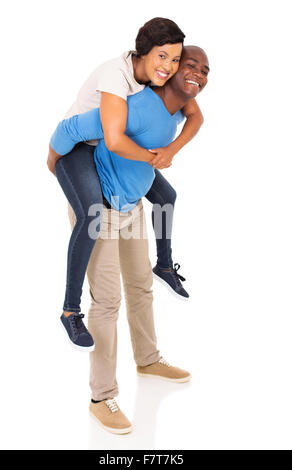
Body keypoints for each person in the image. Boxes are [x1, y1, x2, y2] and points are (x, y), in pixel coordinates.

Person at [51, 46, 209, 351]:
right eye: (189, 65)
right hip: (80, 152)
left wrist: (169, 151)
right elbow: (72, 128)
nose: (198, 75)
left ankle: (164, 265)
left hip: (128, 168)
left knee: (166, 198)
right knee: (92, 217)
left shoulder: (177, 103)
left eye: (204, 71)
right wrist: (52, 160)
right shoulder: (133, 105)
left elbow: (196, 117)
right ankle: (70, 309)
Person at [75, 197, 192, 434]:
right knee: (107, 301)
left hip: (130, 203)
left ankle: (148, 359)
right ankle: (101, 397)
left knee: (141, 285)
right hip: (99, 211)